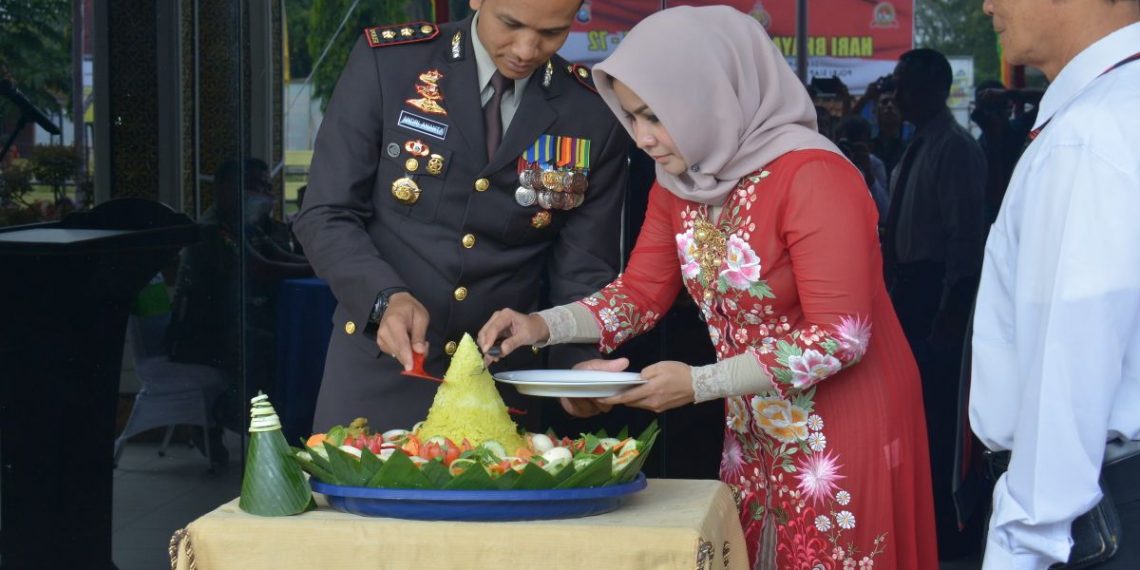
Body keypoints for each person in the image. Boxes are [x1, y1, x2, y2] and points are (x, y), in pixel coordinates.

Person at [478, 7, 938, 568]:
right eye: (631, 117)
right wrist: (540, 326)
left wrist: (699, 383)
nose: (642, 138)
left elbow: (840, 337)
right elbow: (641, 293)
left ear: (710, 97)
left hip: (840, 427)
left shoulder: (813, 174)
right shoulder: (682, 181)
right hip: (753, 420)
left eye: (654, 116)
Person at [291, 0, 630, 432]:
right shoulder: (392, 66)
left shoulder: (592, 112)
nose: (526, 49)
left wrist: (574, 367)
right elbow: (325, 213)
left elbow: (584, 267)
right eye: (511, 24)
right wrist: (382, 301)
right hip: (381, 372)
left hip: (501, 386)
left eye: (551, 33)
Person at [970, 0, 1140, 567]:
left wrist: (1017, 549)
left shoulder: (1088, 134)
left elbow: (1065, 380)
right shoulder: (1112, 108)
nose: (989, 4)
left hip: (1086, 514)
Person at [880, 47, 987, 559]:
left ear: (929, 87)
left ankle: (950, 529)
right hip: (910, 289)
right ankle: (925, 521)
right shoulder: (918, 143)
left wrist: (950, 311)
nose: (895, 96)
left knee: (941, 417)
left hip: (937, 294)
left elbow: (965, 239)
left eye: (902, 85)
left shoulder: (955, 148)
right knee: (915, 412)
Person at [167, 158, 312, 457]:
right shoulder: (212, 229)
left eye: (266, 186)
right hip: (200, 335)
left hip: (234, 323)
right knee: (268, 347)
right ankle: (222, 416)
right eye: (253, 186)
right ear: (224, 189)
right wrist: (321, 270)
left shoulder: (247, 227)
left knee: (291, 339)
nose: (262, 193)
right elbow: (262, 269)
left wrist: (328, 266)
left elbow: (280, 257)